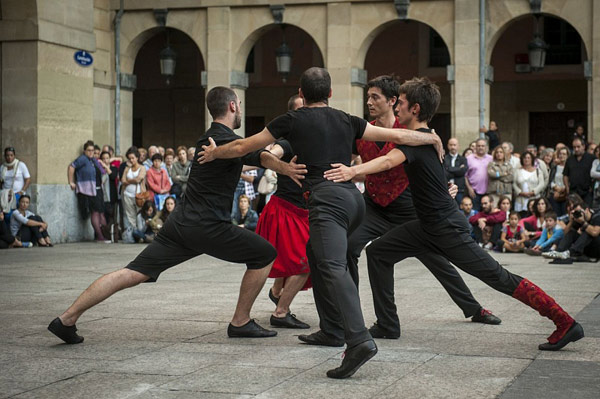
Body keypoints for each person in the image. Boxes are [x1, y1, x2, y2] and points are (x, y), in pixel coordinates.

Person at [199, 68, 446, 379]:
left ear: (302, 95)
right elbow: (397, 135)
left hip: (327, 201)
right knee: (315, 255)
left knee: (331, 266)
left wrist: (213, 152)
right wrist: (430, 137)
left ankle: (357, 340)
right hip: (353, 202)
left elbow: (241, 147)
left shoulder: (292, 119)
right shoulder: (347, 119)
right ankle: (330, 329)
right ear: (330, 94)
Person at [324, 76, 584, 353]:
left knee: (498, 277)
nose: (396, 107)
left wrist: (353, 171)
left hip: (447, 227)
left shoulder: (419, 140)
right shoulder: (423, 137)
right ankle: (388, 324)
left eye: (399, 102)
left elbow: (389, 160)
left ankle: (564, 321)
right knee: (378, 253)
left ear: (414, 109)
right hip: (425, 225)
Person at [48, 86, 307, 348]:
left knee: (132, 272)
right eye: (238, 103)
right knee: (263, 253)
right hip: (207, 227)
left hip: (180, 225)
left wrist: (279, 165)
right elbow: (250, 150)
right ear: (232, 106)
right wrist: (286, 167)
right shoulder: (223, 140)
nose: (240, 108)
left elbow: (259, 157)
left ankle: (67, 319)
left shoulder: (210, 139)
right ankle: (240, 321)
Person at [342, 76, 500, 344]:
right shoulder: (365, 132)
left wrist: (442, 189)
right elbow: (349, 159)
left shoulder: (414, 135)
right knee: (349, 248)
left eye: (375, 97)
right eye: (367, 97)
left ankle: (473, 308)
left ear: (393, 102)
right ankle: (354, 316)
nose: (368, 102)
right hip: (374, 207)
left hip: (408, 207)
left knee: (437, 260)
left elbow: (432, 163)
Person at [68, 140, 110, 243]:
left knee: (101, 213)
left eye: (93, 150)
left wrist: (101, 163)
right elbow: (71, 167)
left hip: (98, 190)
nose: (91, 152)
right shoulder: (82, 159)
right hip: (89, 190)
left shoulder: (94, 160)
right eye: (89, 150)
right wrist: (71, 181)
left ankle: (106, 234)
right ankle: (100, 236)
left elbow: (103, 172)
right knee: (95, 213)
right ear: (84, 151)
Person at [564, 138, 595, 206]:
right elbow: (565, 175)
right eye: (574, 147)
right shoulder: (570, 159)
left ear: (583, 146)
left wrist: (592, 187)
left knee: (587, 212)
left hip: (587, 192)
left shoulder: (592, 158)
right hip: (573, 191)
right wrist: (567, 188)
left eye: (578, 146)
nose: (576, 149)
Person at [121, 147, 146, 229]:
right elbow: (123, 180)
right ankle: (133, 232)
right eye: (129, 158)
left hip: (139, 195)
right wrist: (131, 181)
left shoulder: (142, 168)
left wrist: (128, 181)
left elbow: (138, 179)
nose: (131, 160)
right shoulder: (127, 168)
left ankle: (140, 231)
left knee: (139, 214)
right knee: (130, 215)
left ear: (137, 158)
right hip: (127, 194)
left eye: (133, 158)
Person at [465, 139, 492, 211]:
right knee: (474, 213)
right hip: (474, 192)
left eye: (483, 146)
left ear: (486, 147)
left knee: (486, 214)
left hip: (487, 192)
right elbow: (465, 176)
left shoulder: (491, 158)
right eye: (479, 146)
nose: (481, 147)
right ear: (475, 147)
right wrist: (469, 188)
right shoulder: (469, 159)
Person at [1, 146, 31, 211]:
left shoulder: (20, 165)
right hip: (6, 195)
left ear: (14, 156)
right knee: (6, 214)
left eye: (11, 155)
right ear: (5, 156)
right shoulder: (2, 167)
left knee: (16, 213)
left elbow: (28, 179)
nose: (9, 157)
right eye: (7, 155)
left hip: (17, 195)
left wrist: (21, 192)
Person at [444, 137, 468, 205]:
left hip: (460, 189)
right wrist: (458, 169)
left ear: (458, 146)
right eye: (451, 145)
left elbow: (463, 172)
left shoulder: (463, 159)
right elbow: (444, 173)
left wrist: (449, 168)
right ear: (448, 146)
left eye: (454, 145)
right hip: (447, 189)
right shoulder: (444, 158)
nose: (453, 147)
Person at [548, 147, 569, 216]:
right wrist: (555, 187)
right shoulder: (554, 167)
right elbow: (550, 181)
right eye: (560, 154)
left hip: (566, 194)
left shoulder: (570, 167)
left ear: (567, 155)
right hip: (555, 194)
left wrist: (563, 189)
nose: (561, 155)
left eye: (564, 154)